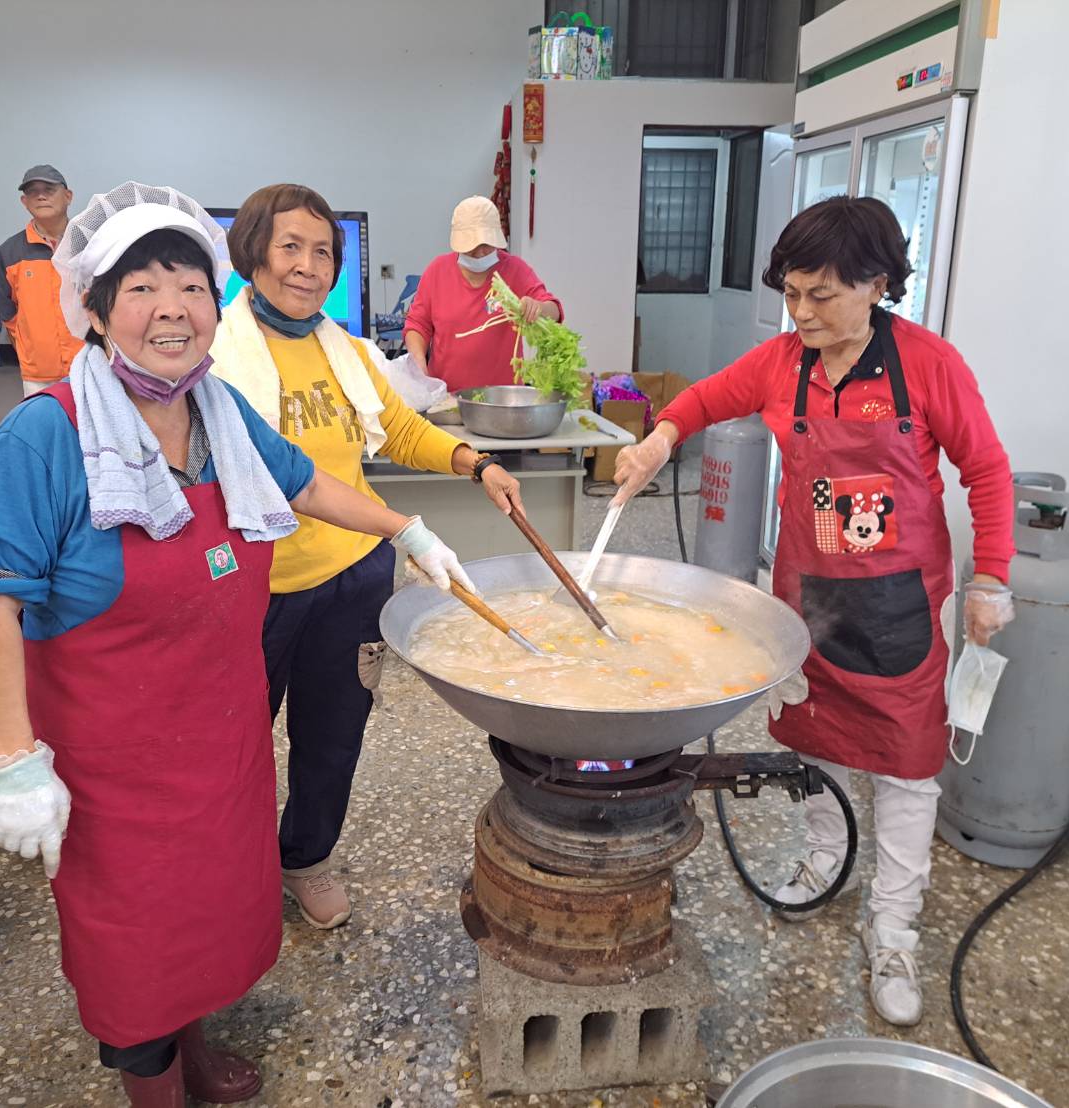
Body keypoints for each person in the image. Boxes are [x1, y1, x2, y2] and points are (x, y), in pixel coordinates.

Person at [0, 182, 472, 1106]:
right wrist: (15, 763)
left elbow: (306, 483)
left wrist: (406, 530)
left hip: (220, 746)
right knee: (136, 946)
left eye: (190, 286)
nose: (172, 309)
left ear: (212, 300)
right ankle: (155, 1084)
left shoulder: (218, 412)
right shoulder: (46, 436)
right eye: (142, 288)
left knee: (207, 915)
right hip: (115, 770)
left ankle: (192, 1045)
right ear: (96, 308)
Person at [612, 196, 1016, 1028]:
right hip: (809, 601)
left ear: (876, 284)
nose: (799, 313)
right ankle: (823, 865)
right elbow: (701, 401)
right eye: (791, 294)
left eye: (820, 295)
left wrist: (991, 580)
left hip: (902, 606)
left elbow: (986, 471)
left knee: (906, 771)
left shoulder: (928, 365)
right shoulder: (779, 363)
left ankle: (892, 928)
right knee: (817, 749)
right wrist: (657, 440)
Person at [209, 183, 523, 931]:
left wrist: (475, 463)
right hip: (255, 587)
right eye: (290, 247)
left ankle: (306, 858)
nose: (308, 265)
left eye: (323, 252)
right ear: (252, 253)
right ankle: (229, 872)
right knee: (233, 743)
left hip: (352, 580)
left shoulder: (346, 352)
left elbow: (400, 429)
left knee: (332, 735)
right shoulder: (213, 355)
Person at [403, 195, 562, 393]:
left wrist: (539, 308)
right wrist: (418, 361)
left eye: (486, 245)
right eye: (472, 247)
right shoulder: (437, 271)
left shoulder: (515, 270)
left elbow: (554, 310)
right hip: (447, 398)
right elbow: (417, 324)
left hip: (504, 399)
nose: (479, 253)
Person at [0, 165, 85, 397]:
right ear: (24, 201)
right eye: (33, 192)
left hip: (90, 365)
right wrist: (32, 348)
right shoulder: (9, 253)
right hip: (38, 374)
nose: (41, 196)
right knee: (43, 420)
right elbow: (9, 314)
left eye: (49, 189)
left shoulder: (89, 245)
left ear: (68, 196)